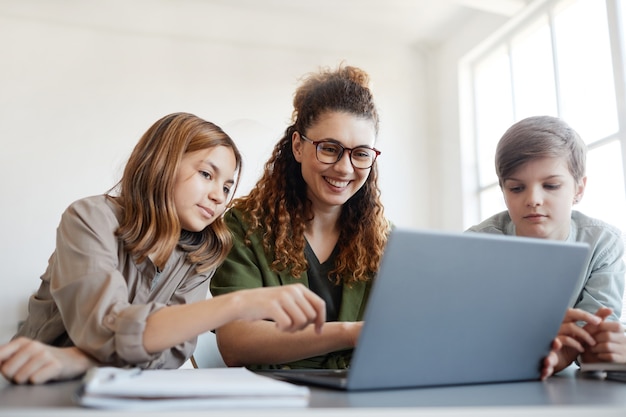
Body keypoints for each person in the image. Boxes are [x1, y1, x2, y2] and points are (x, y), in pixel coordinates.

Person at [0, 112, 325, 385]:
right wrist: (237, 304)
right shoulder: (88, 218)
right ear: (161, 163)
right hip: (33, 384)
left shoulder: (205, 250)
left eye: (226, 186)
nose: (218, 196)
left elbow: (170, 354)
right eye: (206, 174)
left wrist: (74, 360)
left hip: (120, 391)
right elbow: (102, 330)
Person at [209, 65, 390, 370]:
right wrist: (350, 333)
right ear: (297, 146)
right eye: (329, 149)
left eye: (360, 153)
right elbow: (236, 343)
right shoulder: (243, 227)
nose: (345, 168)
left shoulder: (387, 242)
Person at [467, 115, 626, 377]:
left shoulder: (603, 244)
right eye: (516, 188)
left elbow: (594, 337)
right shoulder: (476, 245)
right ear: (503, 191)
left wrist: (582, 347)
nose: (533, 199)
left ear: (579, 188)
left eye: (551, 185)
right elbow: (471, 334)